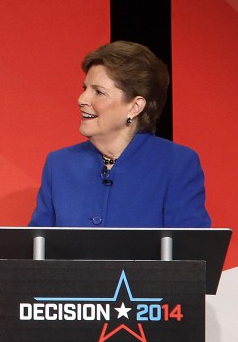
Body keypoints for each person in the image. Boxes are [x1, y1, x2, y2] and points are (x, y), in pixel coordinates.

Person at [28, 40, 210, 228]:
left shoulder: (176, 163)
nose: (81, 99)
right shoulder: (59, 165)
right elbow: (37, 249)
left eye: (98, 92)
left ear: (135, 106)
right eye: (85, 89)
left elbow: (190, 252)